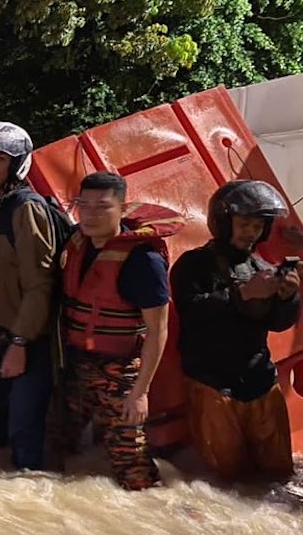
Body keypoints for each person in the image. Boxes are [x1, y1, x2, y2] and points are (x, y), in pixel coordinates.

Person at [46, 172, 178, 489]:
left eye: (102, 207)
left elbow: (158, 331)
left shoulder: (143, 260)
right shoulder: (77, 242)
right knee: (56, 444)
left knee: (131, 460)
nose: (90, 214)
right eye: (84, 205)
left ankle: (154, 518)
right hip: (77, 364)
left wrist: (140, 393)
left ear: (122, 209)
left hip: (120, 372)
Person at [170, 180, 299, 486]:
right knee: (227, 483)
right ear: (225, 221)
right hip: (211, 385)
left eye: (257, 225)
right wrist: (242, 295)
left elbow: (278, 325)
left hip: (261, 383)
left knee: (280, 478)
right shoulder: (193, 264)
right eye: (244, 223)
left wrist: (289, 297)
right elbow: (189, 311)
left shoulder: (262, 266)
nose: (250, 232)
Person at [0, 121, 57, 470]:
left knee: (24, 437)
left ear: (17, 163)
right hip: (8, 338)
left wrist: (19, 344)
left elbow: (40, 283)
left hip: (30, 342)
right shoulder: (2, 207)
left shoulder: (26, 208)